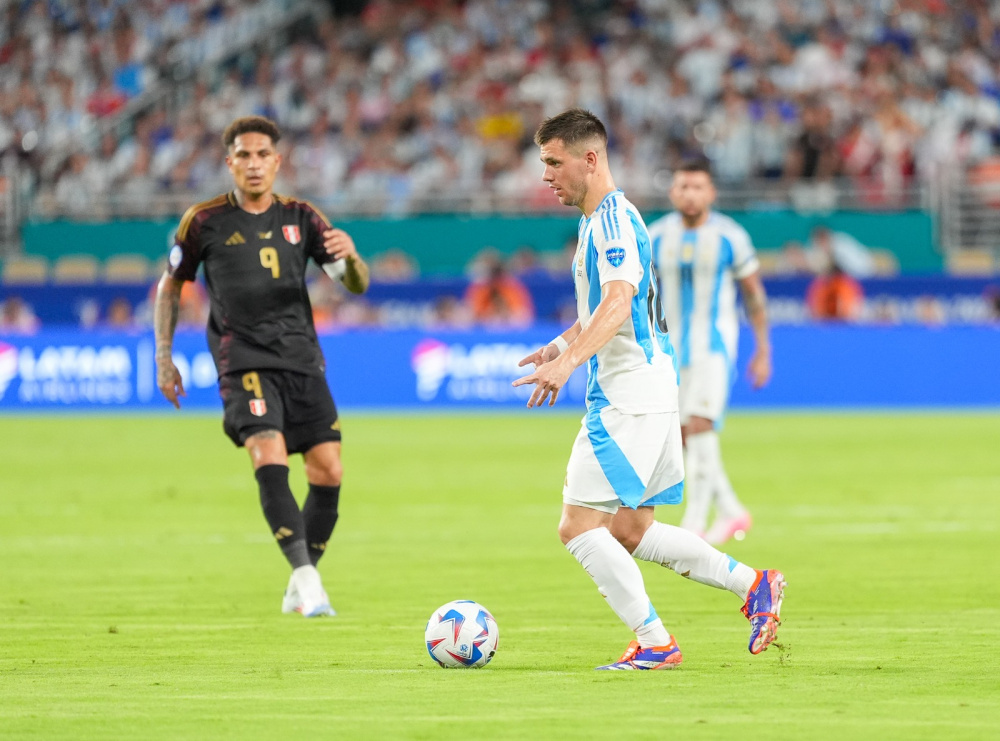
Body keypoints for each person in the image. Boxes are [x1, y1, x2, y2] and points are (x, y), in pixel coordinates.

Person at [513, 108, 785, 670]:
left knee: (577, 524)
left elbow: (616, 303)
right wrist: (559, 349)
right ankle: (753, 584)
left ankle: (655, 640)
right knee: (632, 529)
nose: (546, 175)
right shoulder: (602, 220)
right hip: (654, 385)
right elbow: (609, 307)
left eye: (552, 162)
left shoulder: (611, 220)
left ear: (590, 159)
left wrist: (569, 368)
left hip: (627, 394)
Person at [153, 115, 370, 618]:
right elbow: (171, 286)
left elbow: (354, 283)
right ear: (229, 162)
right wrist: (164, 356)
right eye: (243, 156)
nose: (253, 164)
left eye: (262, 155)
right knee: (266, 453)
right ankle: (310, 582)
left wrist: (354, 257)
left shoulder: (303, 217)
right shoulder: (203, 220)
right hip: (241, 359)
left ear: (277, 161)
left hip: (301, 359)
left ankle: (302, 576)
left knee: (329, 469)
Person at [647, 159, 772, 545]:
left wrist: (763, 349)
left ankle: (694, 525)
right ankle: (733, 510)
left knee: (700, 423)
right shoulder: (654, 236)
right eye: (683, 186)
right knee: (684, 434)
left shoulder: (730, 236)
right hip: (669, 349)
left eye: (698, 187)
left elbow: (753, 293)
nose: (690, 194)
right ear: (672, 192)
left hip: (713, 345)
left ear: (711, 193)